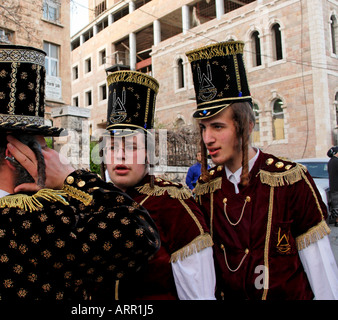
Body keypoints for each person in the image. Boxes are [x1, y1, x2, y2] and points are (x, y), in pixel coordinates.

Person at [0, 44, 160, 301]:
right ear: (16, 155)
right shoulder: (41, 226)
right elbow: (140, 234)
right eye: (44, 150)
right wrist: (72, 177)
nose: (50, 159)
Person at [186, 40, 338, 299]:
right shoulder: (205, 190)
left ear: (246, 126)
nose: (207, 138)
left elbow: (322, 274)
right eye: (203, 128)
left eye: (218, 126)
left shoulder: (290, 181)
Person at [98, 70, 215, 300]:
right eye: (112, 147)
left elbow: (198, 294)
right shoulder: (94, 203)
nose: (120, 156)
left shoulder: (174, 207)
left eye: (132, 147)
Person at [328, 146, 338, 227]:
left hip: (333, 186)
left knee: (335, 204)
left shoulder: (331, 161)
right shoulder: (335, 161)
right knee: (336, 204)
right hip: (336, 186)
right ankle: (337, 221)